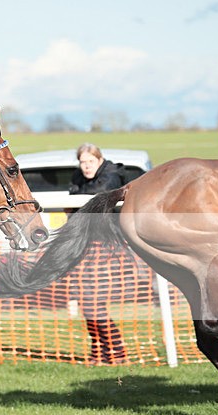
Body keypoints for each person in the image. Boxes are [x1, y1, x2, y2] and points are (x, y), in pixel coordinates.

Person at [68, 143, 126, 364]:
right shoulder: (78, 176)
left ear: (100, 160)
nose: (86, 167)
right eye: (82, 162)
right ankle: (99, 349)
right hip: (85, 247)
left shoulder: (111, 175)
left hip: (108, 249)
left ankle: (116, 350)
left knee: (94, 302)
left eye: (90, 162)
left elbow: (96, 199)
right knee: (86, 303)